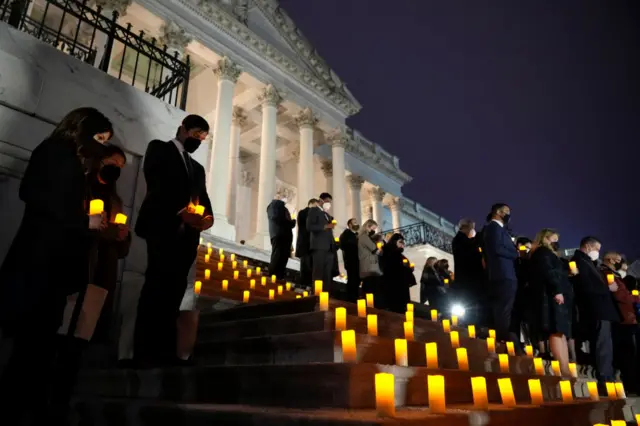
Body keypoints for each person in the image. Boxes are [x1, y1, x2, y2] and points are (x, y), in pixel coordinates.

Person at [0, 107, 113, 425]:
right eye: (100, 138)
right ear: (82, 129)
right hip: (40, 263)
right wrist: (84, 221)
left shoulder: (75, 162)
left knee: (38, 344)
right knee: (30, 346)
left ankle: (23, 405)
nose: (102, 146)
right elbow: (35, 195)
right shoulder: (54, 152)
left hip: (53, 266)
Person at [134, 114, 213, 368]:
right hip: (163, 228)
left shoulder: (197, 168)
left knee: (176, 292)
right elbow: (156, 182)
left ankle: (166, 351)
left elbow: (204, 197)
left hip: (187, 238)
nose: (198, 140)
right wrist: (180, 211)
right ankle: (145, 351)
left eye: (202, 137)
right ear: (183, 129)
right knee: (156, 287)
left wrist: (207, 218)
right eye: (196, 134)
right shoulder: (159, 149)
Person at [570, 236, 619, 388]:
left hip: (600, 309)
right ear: (588, 246)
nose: (598, 252)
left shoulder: (588, 262)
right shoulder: (579, 261)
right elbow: (585, 285)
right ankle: (605, 378)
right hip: (596, 309)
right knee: (602, 345)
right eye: (597, 249)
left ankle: (607, 375)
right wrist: (608, 288)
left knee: (604, 345)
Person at [528, 229, 573, 377]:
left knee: (561, 333)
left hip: (553, 296)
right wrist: (557, 290)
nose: (556, 243)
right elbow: (549, 272)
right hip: (550, 298)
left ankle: (566, 367)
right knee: (556, 331)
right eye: (554, 239)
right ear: (546, 239)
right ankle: (563, 368)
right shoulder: (543, 253)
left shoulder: (546, 254)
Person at [600, 251, 639, 393]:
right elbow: (620, 296)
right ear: (610, 260)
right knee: (627, 355)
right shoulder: (607, 274)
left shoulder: (614, 275)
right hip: (623, 320)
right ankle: (630, 385)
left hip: (626, 319)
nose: (620, 262)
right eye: (618, 260)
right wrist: (634, 298)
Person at [482, 203, 519, 345]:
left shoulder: (501, 229)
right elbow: (497, 248)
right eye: (506, 211)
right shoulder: (493, 227)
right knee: (503, 309)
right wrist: (514, 253)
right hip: (502, 273)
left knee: (505, 308)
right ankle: (503, 339)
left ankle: (504, 338)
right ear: (498, 212)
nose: (509, 214)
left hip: (506, 273)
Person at [452, 219, 485, 325]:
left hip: (469, 281)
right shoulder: (460, 240)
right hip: (467, 281)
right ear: (467, 228)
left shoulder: (463, 240)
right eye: (472, 228)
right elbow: (470, 256)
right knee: (469, 308)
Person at [306, 193, 336, 294]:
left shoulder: (327, 215)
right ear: (321, 200)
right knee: (318, 274)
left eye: (330, 202)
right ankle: (316, 297)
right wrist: (325, 226)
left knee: (327, 275)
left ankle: (325, 298)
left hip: (329, 249)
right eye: (327, 201)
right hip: (319, 246)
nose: (329, 204)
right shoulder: (314, 210)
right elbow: (309, 226)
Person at [380, 233, 412, 313]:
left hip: (402, 284)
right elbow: (387, 266)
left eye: (403, 243)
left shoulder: (401, 255)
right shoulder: (387, 251)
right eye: (400, 242)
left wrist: (408, 268)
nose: (402, 244)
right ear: (394, 242)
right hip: (392, 283)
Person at [267, 193, 295, 280]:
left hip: (285, 236)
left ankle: (279, 276)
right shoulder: (274, 205)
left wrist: (291, 222)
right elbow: (276, 217)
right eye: (281, 197)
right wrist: (290, 222)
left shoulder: (283, 208)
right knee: (277, 256)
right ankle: (273, 276)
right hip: (279, 234)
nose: (284, 198)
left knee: (283, 258)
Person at [357, 219, 383, 307]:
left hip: (369, 265)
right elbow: (374, 249)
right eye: (373, 228)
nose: (374, 231)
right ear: (368, 227)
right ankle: (369, 305)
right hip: (368, 265)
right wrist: (380, 248)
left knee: (370, 286)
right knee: (369, 287)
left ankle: (370, 305)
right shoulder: (364, 237)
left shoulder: (365, 237)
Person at [295, 199, 317, 290]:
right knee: (305, 268)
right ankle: (303, 287)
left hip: (312, 247)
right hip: (304, 245)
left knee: (311, 269)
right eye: (316, 206)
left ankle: (308, 287)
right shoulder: (303, 213)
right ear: (310, 204)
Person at [339, 218, 360, 302]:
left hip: (358, 260)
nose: (356, 224)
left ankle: (355, 296)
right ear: (350, 225)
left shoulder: (357, 234)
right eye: (354, 222)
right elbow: (342, 245)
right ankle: (351, 299)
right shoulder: (346, 233)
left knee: (357, 279)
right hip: (350, 259)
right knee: (352, 279)